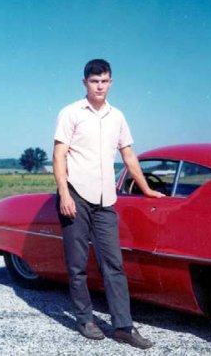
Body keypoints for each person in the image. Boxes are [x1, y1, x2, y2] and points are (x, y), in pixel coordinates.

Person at [53, 59, 164, 350]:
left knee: (113, 264)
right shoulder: (71, 113)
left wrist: (147, 189)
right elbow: (59, 155)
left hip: (105, 200)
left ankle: (123, 327)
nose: (99, 86)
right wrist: (64, 194)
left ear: (111, 83)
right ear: (85, 83)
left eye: (104, 81)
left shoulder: (117, 117)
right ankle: (85, 319)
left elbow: (129, 156)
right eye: (94, 81)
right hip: (75, 196)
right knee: (77, 265)